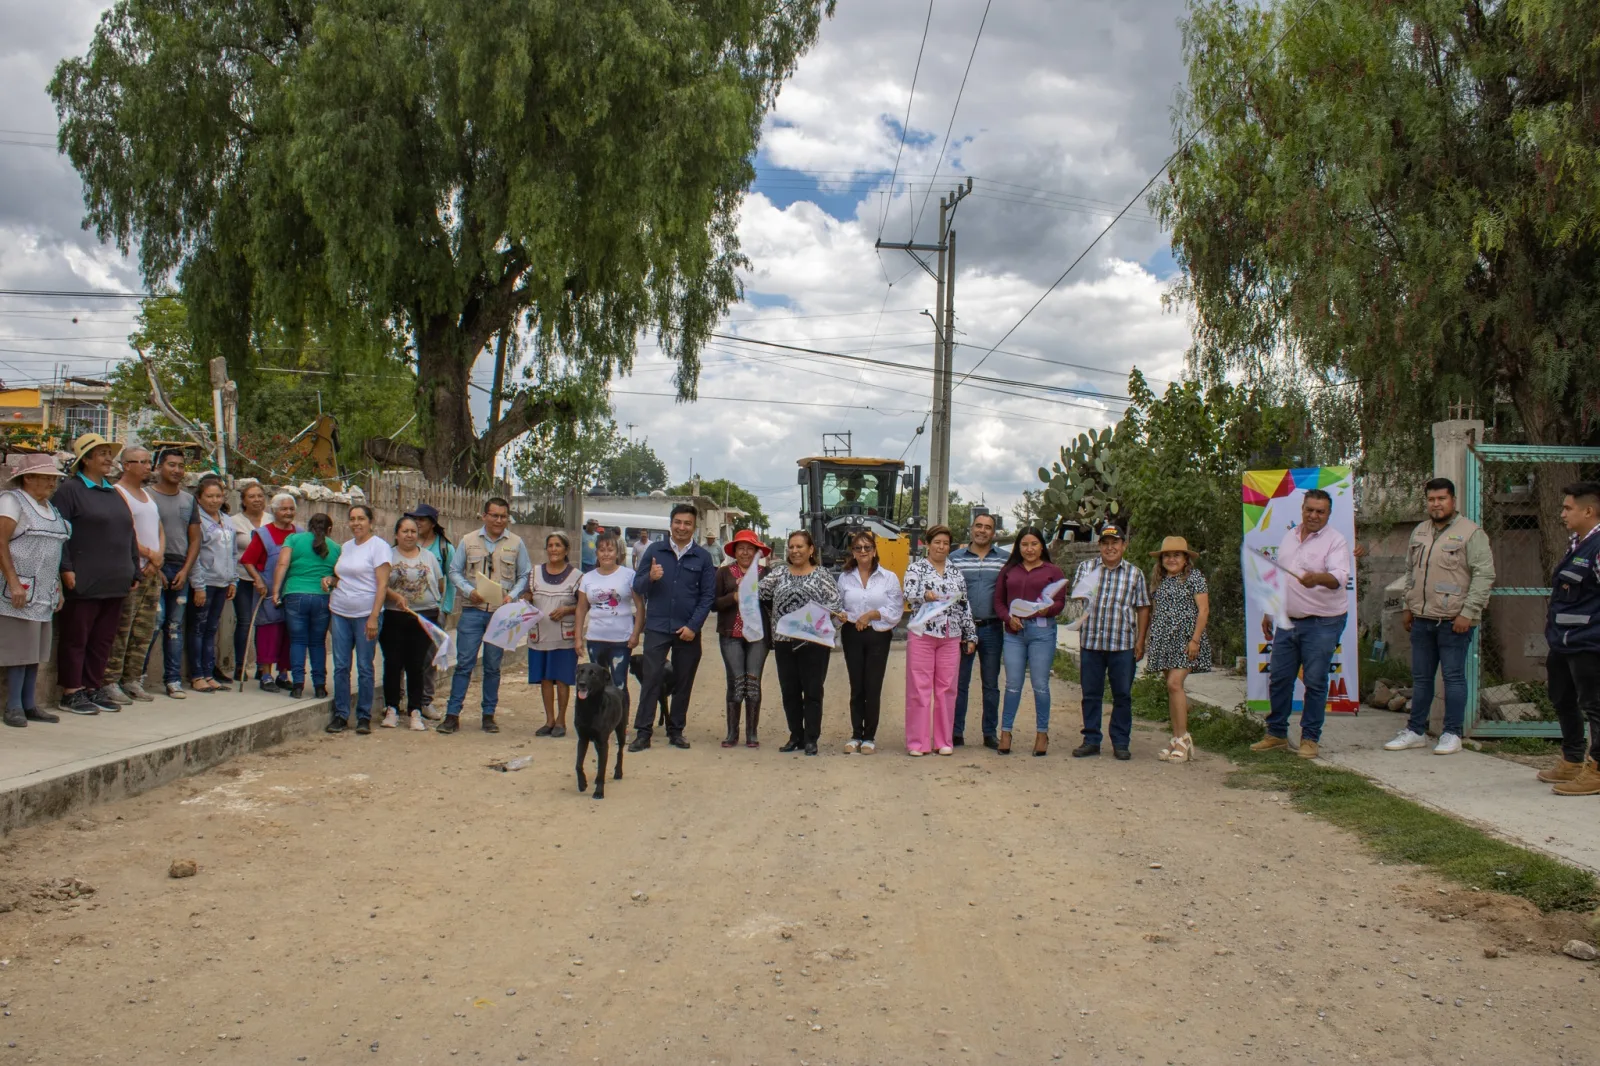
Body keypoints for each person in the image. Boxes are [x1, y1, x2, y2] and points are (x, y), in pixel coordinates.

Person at [1385, 477, 1495, 756]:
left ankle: (1452, 733)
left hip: (1454, 621)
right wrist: (1408, 606)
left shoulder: (1471, 533)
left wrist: (1468, 613)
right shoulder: (1420, 531)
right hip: (1422, 619)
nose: (1436, 504)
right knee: (1421, 679)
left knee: (1453, 677)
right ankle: (1415, 731)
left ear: (1453, 501)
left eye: (1442, 499)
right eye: (1432, 499)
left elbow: (1484, 576)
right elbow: (1411, 572)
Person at [1252, 490, 1352, 760]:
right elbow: (1280, 579)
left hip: (1323, 621)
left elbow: (1339, 578)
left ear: (1329, 514)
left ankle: (1310, 738)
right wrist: (1269, 612)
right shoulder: (1290, 536)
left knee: (1315, 681)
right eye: (1310, 510)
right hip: (1288, 620)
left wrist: (1317, 578)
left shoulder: (1336, 541)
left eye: (1320, 511)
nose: (1314, 515)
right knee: (1280, 678)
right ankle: (1276, 734)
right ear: (1302, 510)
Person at [53, 433, 142, 715]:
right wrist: (65, 568)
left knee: (103, 639)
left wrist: (134, 566)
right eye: (101, 453)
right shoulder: (69, 490)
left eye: (108, 452)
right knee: (77, 637)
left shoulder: (113, 492)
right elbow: (60, 532)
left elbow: (129, 532)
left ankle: (93, 686)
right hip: (84, 578)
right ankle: (72, 691)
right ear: (86, 459)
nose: (108, 458)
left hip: (115, 579)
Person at [628, 504, 716, 751]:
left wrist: (693, 626)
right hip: (657, 627)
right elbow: (638, 586)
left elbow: (707, 596)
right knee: (651, 679)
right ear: (671, 524)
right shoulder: (655, 551)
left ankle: (676, 730)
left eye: (687, 523)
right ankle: (643, 732)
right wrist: (651, 577)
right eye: (678, 522)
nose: (682, 527)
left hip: (687, 630)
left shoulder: (702, 557)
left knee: (682, 681)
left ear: (694, 527)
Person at [440, 497, 531, 735]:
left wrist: (511, 595)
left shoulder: (516, 542)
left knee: (492, 666)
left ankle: (488, 715)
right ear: (484, 516)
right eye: (494, 515)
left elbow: (524, 574)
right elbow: (454, 571)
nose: (499, 520)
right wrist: (469, 591)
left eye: (503, 516)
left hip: (500, 615)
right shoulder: (469, 541)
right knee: (464, 665)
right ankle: (452, 715)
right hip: (472, 610)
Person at [759, 530, 845, 755]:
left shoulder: (822, 575)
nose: (795, 551)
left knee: (813, 691)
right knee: (789, 691)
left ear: (811, 550)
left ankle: (811, 738)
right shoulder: (778, 573)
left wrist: (837, 617)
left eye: (800, 547)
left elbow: (835, 604)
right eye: (792, 547)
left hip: (813, 644)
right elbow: (759, 594)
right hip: (784, 642)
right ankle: (795, 735)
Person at [0, 454, 70, 727]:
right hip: (18, 589)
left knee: (37, 650)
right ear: (28, 478)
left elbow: (54, 551)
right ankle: (14, 705)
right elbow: (1, 541)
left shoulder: (50, 508)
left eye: (53, 478)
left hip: (44, 590)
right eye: (47, 477)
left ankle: (30, 703)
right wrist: (14, 582)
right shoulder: (11, 501)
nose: (52, 483)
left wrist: (58, 588)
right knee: (20, 649)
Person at [1072, 522, 1152, 760]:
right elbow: (1076, 600)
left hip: (1122, 645)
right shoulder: (1086, 569)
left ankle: (1120, 742)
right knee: (1091, 694)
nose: (1110, 548)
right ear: (1099, 546)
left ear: (1123, 545)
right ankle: (1091, 739)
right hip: (1092, 642)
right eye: (1105, 543)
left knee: (1122, 695)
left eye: (1114, 543)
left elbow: (1143, 607)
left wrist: (1140, 640)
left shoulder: (1135, 573)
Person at [1540, 481, 1600, 795]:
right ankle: (1572, 759)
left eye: (1568, 508)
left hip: (1590, 642)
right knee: (1562, 697)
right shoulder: (1577, 542)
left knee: (1595, 705)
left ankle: (1598, 769)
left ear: (1588, 510)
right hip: (1564, 641)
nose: (1562, 513)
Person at [902, 525, 978, 757]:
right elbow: (908, 593)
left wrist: (970, 634)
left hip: (950, 635)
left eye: (945, 543)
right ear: (928, 544)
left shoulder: (956, 573)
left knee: (947, 689)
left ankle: (944, 740)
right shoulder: (916, 569)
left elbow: (964, 605)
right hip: (923, 634)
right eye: (937, 542)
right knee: (919, 688)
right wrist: (925, 595)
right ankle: (918, 743)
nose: (941, 547)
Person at [994, 526, 1068, 756]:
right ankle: (1005, 732)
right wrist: (1008, 618)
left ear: (1041, 546)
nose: (1029, 549)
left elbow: (1060, 603)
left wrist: (1043, 610)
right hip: (1014, 633)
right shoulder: (1008, 570)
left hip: (1042, 632)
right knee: (1013, 685)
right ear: (1018, 547)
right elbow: (998, 602)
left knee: (1040, 685)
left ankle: (1042, 734)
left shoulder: (1053, 571)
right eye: (1024, 544)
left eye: (1034, 544)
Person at [1143, 536, 1212, 763]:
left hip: (1186, 641)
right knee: (1171, 688)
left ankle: (1184, 738)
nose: (1171, 559)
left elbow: (1203, 611)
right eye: (1167, 555)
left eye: (1176, 555)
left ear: (1185, 558)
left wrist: (1195, 640)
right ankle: (1176, 738)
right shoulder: (1159, 581)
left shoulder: (1194, 578)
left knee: (1175, 684)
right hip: (1163, 641)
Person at [323, 504, 390, 734]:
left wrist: (373, 617)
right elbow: (344, 576)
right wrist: (331, 580)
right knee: (341, 665)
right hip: (340, 611)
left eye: (361, 518)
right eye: (352, 519)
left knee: (364, 665)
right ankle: (341, 714)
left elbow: (382, 585)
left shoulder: (379, 547)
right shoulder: (346, 547)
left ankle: (363, 715)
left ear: (371, 521)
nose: (356, 523)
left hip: (365, 615)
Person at [836, 529, 902, 753]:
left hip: (878, 634)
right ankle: (856, 734)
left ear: (874, 551)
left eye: (867, 547)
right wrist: (841, 615)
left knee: (873, 686)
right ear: (852, 553)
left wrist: (872, 614)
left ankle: (869, 737)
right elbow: (838, 605)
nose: (863, 551)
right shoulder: (844, 578)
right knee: (857, 686)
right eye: (858, 548)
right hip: (852, 632)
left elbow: (895, 608)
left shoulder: (889, 578)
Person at [104, 446, 162, 703]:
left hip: (152, 570)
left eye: (149, 461)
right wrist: (148, 554)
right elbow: (122, 532)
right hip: (132, 569)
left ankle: (132, 678)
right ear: (126, 465)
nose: (148, 466)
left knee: (144, 629)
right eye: (142, 461)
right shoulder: (118, 493)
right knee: (122, 628)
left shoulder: (148, 496)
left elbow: (159, 528)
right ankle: (110, 680)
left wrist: (158, 557)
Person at [379, 515, 443, 731]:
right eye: (405, 531)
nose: (409, 535)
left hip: (423, 616)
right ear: (397, 534)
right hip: (394, 616)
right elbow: (379, 583)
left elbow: (439, 583)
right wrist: (396, 597)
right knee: (393, 663)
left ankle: (415, 710)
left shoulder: (428, 557)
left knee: (417, 664)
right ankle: (392, 708)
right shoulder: (388, 555)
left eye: (413, 531)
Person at [950, 513, 1009, 748]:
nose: (982, 531)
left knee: (991, 684)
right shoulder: (955, 558)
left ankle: (989, 733)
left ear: (993, 533)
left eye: (988, 527)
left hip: (992, 628)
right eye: (978, 526)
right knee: (960, 682)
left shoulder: (1004, 560)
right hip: (963, 629)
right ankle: (956, 732)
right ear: (971, 528)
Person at [714, 528, 773, 748]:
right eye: (741, 549)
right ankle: (732, 733)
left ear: (757, 551)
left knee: (753, 681)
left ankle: (752, 733)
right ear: (734, 551)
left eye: (750, 549)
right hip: (731, 635)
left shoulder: (766, 574)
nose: (745, 553)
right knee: (736, 681)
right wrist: (734, 597)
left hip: (758, 636)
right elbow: (714, 603)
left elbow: (772, 603)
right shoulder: (723, 573)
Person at [576, 530, 643, 723]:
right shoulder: (587, 578)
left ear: (617, 553)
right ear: (596, 553)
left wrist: (635, 633)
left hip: (621, 640)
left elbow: (639, 607)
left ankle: (621, 722)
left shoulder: (629, 576)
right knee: (596, 684)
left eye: (610, 550)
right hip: (595, 639)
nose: (606, 554)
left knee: (619, 683)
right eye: (602, 550)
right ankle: (599, 719)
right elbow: (581, 609)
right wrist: (578, 637)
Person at [148, 448, 200, 699]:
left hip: (180, 568)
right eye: (171, 464)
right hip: (151, 566)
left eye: (181, 465)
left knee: (175, 627)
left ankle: (173, 680)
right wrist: (154, 567)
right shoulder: (146, 496)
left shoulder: (189, 501)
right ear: (158, 467)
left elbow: (195, 539)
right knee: (153, 624)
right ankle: (137, 678)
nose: (177, 470)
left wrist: (186, 571)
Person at [271, 512, 339, 699]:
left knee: (298, 641)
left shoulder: (293, 539)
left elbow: (282, 564)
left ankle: (298, 685)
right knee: (318, 642)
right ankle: (319, 686)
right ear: (330, 529)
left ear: (309, 526)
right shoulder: (336, 548)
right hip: (322, 597)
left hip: (295, 594)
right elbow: (338, 574)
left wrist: (276, 591)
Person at [238, 493, 299, 691]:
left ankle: (283, 673)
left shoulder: (300, 533)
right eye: (284, 509)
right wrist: (258, 581)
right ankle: (265, 675)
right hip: (268, 591)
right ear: (274, 511)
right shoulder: (264, 534)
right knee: (269, 632)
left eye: (291, 508)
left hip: (292, 591)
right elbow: (247, 560)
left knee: (289, 633)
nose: (288, 512)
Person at [184, 477, 237, 693]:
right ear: (199, 498)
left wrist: (233, 579)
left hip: (223, 582)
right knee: (198, 628)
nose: (214, 500)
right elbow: (194, 554)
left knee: (211, 629)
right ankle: (196, 675)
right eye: (209, 496)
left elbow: (233, 553)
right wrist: (198, 585)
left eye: (218, 496)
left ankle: (208, 672)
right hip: (205, 582)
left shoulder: (227, 520)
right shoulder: (199, 521)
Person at [528, 532, 581, 737]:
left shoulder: (576, 576)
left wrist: (566, 610)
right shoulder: (535, 572)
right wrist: (525, 598)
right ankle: (549, 719)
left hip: (564, 635)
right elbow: (527, 593)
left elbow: (583, 605)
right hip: (539, 633)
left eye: (558, 545)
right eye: (550, 545)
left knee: (562, 678)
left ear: (566, 549)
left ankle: (561, 720)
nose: (553, 549)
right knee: (545, 678)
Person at [403, 503, 453, 718]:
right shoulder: (403, 544)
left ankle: (426, 701)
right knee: (402, 656)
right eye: (415, 519)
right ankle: (399, 700)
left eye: (422, 519)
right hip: (404, 611)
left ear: (432, 523)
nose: (417, 523)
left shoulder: (444, 548)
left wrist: (445, 609)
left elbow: (450, 580)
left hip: (433, 611)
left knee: (429, 657)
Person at [227, 481, 268, 684]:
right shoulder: (234, 522)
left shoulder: (272, 520)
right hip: (243, 577)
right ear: (243, 500)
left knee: (265, 623)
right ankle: (240, 666)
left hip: (268, 580)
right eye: (251, 496)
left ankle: (263, 666)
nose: (257, 499)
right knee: (244, 622)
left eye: (260, 495)